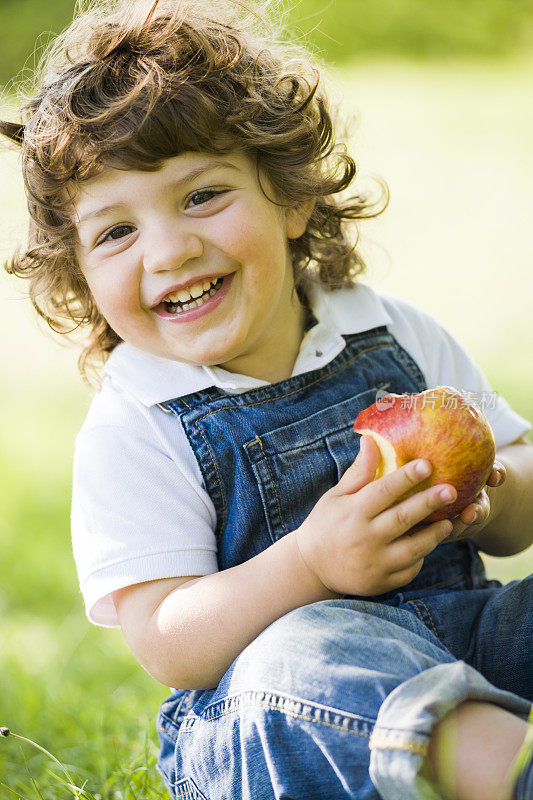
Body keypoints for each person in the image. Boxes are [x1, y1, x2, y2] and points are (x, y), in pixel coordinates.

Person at [1, 1, 532, 798]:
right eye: (115, 233)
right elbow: (168, 643)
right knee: (302, 666)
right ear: (81, 277)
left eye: (202, 196)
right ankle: (500, 764)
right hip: (282, 704)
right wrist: (312, 563)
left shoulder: (386, 330)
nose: (170, 249)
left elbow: (519, 486)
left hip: (465, 638)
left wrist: (490, 496)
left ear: (290, 198)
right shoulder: (139, 423)